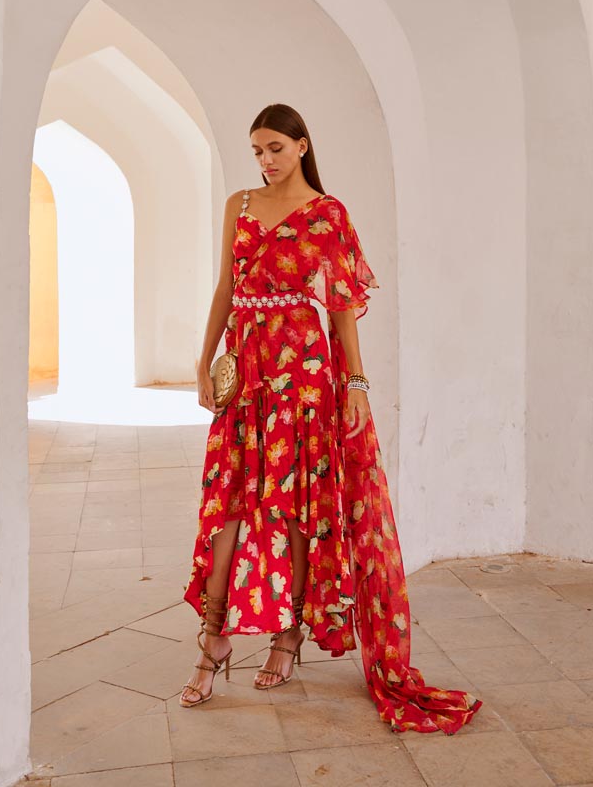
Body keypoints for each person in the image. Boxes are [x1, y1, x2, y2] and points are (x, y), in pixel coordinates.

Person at [180, 103, 482, 733]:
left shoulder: (327, 213)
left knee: (295, 506)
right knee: (229, 507)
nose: (264, 162)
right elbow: (225, 289)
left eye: (275, 149)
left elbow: (341, 304)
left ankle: (286, 636)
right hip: (249, 372)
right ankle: (214, 638)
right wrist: (204, 361)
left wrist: (356, 381)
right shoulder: (238, 205)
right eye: (257, 151)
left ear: (302, 145)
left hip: (305, 374)